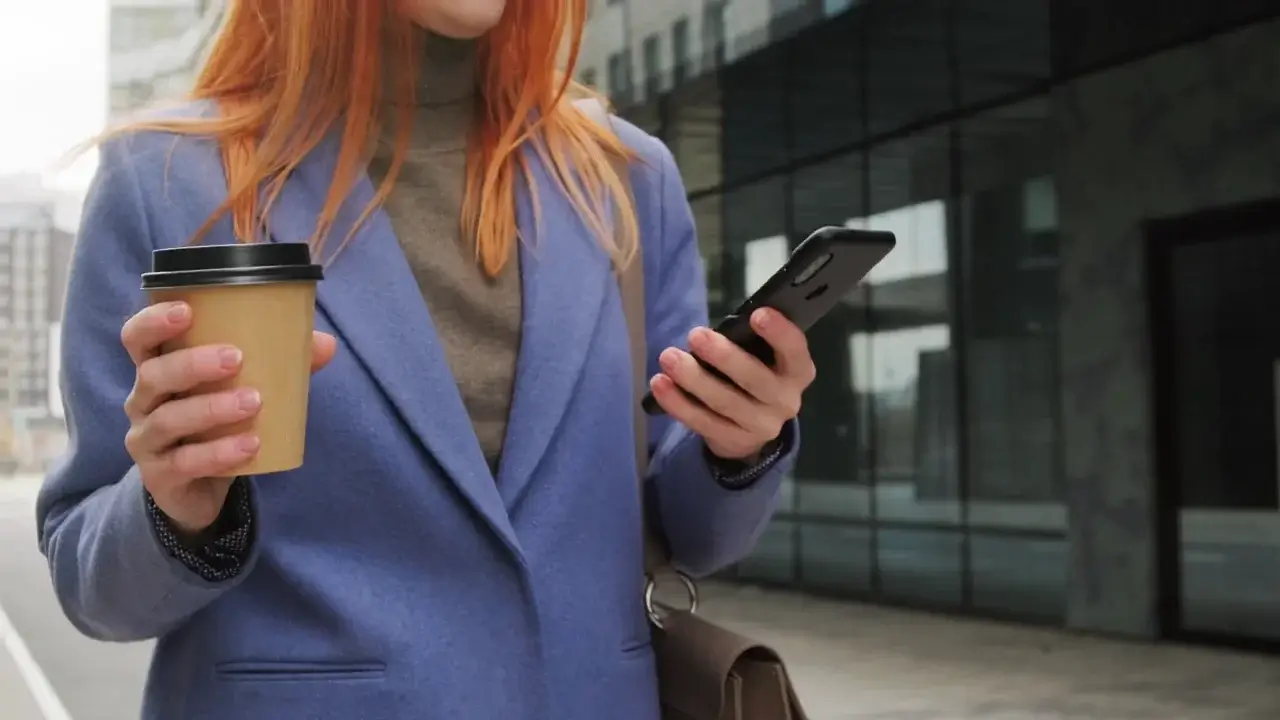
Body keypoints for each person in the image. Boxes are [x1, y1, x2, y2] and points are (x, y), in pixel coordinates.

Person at [37, 1, 815, 718]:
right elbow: (92, 583)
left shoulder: (623, 177)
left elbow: (695, 532)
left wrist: (739, 446)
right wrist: (174, 509)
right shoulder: (164, 180)